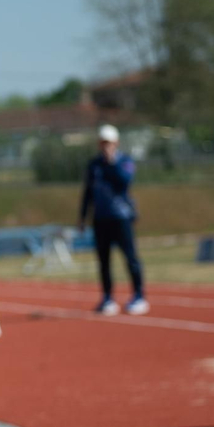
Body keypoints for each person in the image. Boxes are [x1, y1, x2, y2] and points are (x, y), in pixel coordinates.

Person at [79, 124, 148, 316]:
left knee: (130, 257)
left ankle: (139, 296)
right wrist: (83, 216)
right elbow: (87, 192)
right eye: (102, 142)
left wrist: (112, 162)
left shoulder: (124, 161)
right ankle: (108, 297)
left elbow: (124, 181)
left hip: (121, 216)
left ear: (116, 143)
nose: (105, 146)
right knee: (103, 261)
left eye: (108, 142)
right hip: (100, 219)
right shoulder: (93, 165)